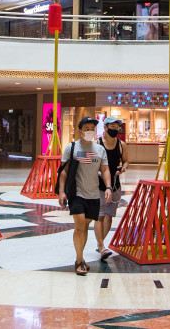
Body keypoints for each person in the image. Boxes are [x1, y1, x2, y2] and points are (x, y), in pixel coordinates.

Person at [58, 117, 112, 276]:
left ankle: (80, 260)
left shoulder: (100, 150)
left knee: (85, 227)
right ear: (80, 130)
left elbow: (105, 169)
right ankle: (79, 260)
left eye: (92, 128)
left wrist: (108, 187)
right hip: (77, 194)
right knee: (80, 224)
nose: (90, 131)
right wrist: (62, 191)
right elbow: (64, 172)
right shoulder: (72, 148)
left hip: (94, 194)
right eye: (86, 128)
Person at [94, 117, 128, 260]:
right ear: (106, 128)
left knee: (109, 215)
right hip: (100, 185)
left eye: (117, 127)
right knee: (100, 215)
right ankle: (102, 247)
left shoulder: (121, 144)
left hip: (115, 184)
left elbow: (126, 161)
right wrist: (97, 171)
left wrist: (123, 168)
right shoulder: (97, 143)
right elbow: (92, 163)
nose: (115, 129)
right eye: (112, 126)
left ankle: (101, 243)